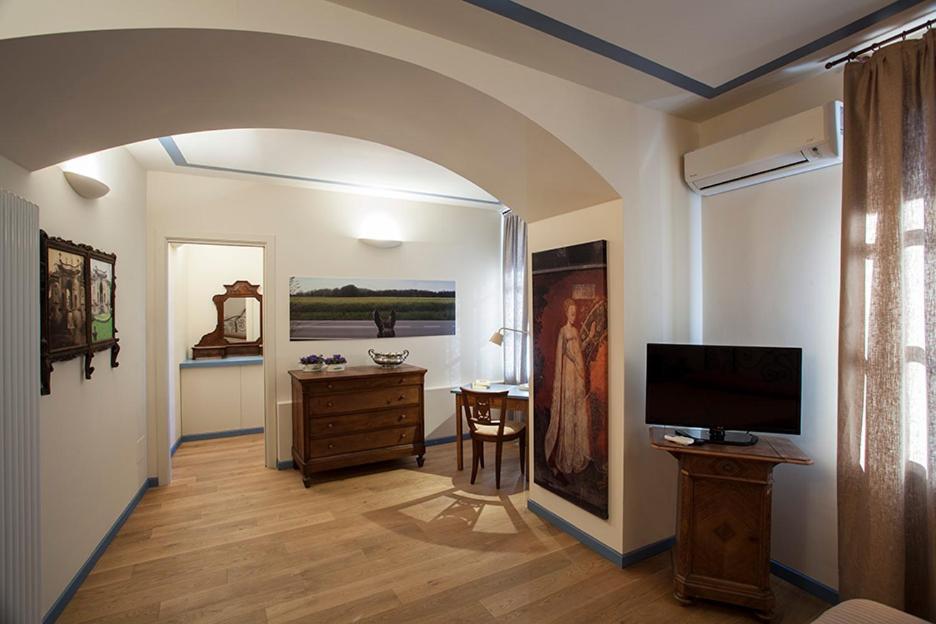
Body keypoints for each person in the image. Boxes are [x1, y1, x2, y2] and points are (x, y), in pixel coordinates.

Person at [544, 298, 592, 476]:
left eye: (575, 313)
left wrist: (590, 337)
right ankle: (565, 457)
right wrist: (575, 361)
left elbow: (579, 349)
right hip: (568, 375)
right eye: (571, 313)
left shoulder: (576, 331)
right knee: (568, 411)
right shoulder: (563, 331)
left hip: (576, 376)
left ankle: (575, 457)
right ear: (566, 313)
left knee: (576, 412)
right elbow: (565, 352)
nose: (574, 316)